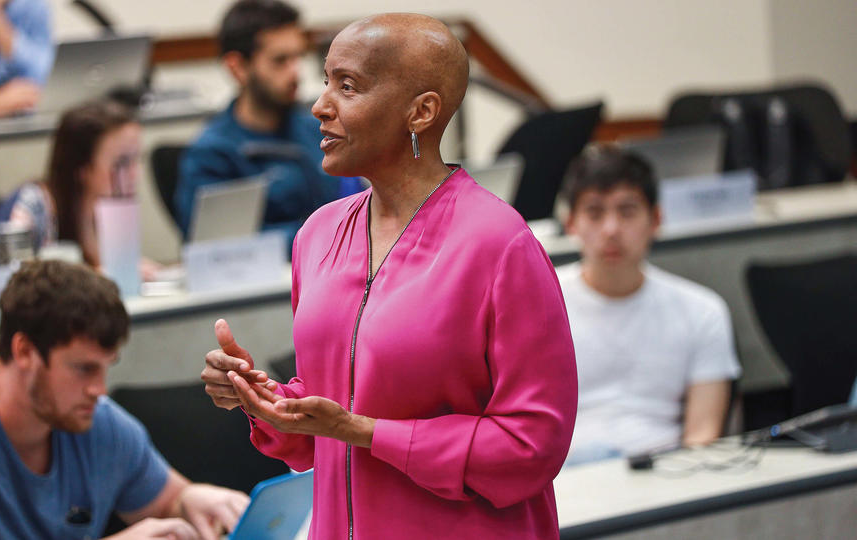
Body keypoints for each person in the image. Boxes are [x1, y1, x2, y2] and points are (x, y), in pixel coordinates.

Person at [201, 13, 577, 539]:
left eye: (347, 86)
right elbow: (325, 420)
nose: (319, 104)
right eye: (326, 79)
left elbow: (530, 446)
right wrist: (266, 401)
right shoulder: (318, 235)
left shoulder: (500, 244)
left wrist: (362, 432)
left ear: (420, 112)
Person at [0, 260, 249, 539]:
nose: (99, 388)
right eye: (83, 369)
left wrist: (193, 501)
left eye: (105, 367)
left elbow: (170, 501)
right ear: (24, 351)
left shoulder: (98, 420)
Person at [557, 144, 742, 465]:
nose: (611, 230)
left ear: (656, 219)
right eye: (595, 212)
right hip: (561, 482)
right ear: (571, 223)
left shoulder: (702, 311)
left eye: (627, 211)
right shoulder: (536, 303)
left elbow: (703, 437)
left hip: (663, 476)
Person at [175, 0, 361, 243]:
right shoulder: (212, 153)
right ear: (238, 67)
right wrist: (323, 232)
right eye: (280, 60)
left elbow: (357, 207)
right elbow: (217, 246)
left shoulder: (319, 130)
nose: (295, 72)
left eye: (298, 57)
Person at [0, 100, 158, 277]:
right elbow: (9, 286)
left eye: (138, 159)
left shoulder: (112, 211)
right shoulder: (29, 205)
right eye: (122, 163)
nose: (135, 175)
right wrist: (102, 277)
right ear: (82, 168)